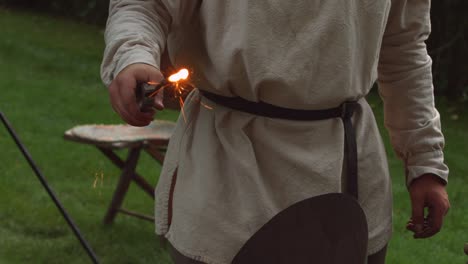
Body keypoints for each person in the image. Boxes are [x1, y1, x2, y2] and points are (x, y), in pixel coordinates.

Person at [101, 0, 450, 263]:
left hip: (346, 170)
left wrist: (425, 161)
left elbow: (403, 49)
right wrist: (132, 55)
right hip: (227, 172)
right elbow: (144, 5)